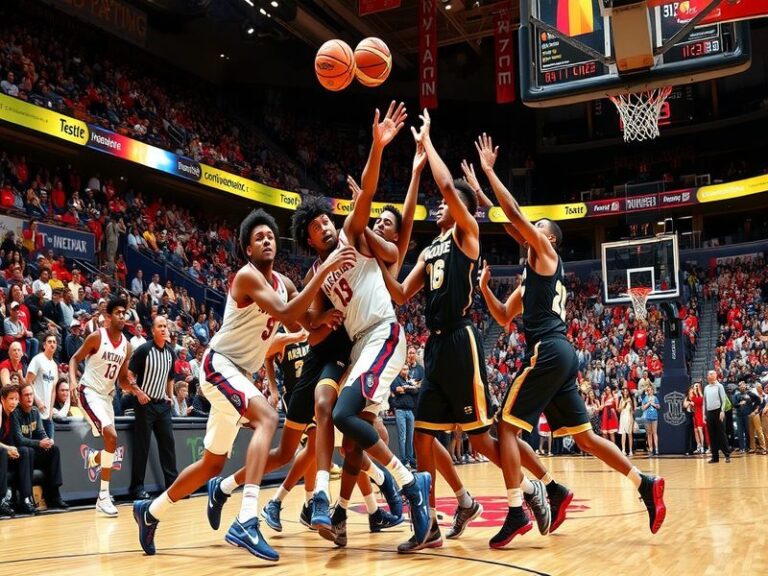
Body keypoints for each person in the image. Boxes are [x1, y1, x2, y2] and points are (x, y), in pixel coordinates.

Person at [377, 112, 558, 549]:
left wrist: (428, 146)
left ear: (458, 208)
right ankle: (431, 527)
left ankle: (531, 489)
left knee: (480, 440)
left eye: (446, 203)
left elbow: (445, 189)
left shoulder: (467, 233)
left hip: (462, 342)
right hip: (434, 349)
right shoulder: (428, 248)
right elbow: (401, 294)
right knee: (422, 436)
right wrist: (376, 261)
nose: (439, 207)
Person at [474, 130, 665, 541]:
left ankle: (515, 511)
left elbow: (513, 214)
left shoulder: (547, 254)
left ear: (549, 239)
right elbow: (506, 316)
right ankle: (644, 483)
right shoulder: (531, 280)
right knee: (585, 437)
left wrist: (490, 173)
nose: (528, 231)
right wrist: (486, 286)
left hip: (548, 351)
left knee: (505, 430)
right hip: (561, 356)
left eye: (536, 228)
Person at [133, 208, 355, 562]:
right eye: (258, 238)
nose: (266, 240)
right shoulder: (247, 277)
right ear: (248, 250)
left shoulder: (285, 283)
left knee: (211, 465)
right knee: (268, 418)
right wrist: (324, 271)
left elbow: (305, 318)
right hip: (219, 365)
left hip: (238, 375)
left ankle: (150, 511)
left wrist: (324, 318)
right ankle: (247, 519)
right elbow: (285, 314)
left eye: (270, 236)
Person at [286, 103, 432, 551]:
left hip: (384, 332)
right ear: (308, 241)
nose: (325, 227)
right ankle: (350, 515)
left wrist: (377, 144)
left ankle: (409, 485)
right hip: (362, 346)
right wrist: (322, 317)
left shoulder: (353, 233)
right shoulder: (319, 273)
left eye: (325, 219)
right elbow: (303, 320)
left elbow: (367, 189)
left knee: (343, 415)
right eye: (315, 227)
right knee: (351, 440)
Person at [69, 297, 133, 516]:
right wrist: (72, 381)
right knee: (112, 436)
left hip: (107, 397)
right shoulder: (97, 337)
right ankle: (104, 496)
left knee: (109, 443)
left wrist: (135, 389)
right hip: (89, 391)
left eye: (124, 313)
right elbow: (74, 359)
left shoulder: (127, 346)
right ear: (108, 316)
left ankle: (94, 460)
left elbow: (122, 380)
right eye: (117, 312)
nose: (122, 316)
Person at [128, 315, 179, 500]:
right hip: (145, 405)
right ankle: (137, 488)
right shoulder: (144, 350)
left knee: (168, 445)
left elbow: (171, 377)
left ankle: (173, 487)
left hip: (162, 405)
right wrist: (138, 392)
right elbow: (129, 374)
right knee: (142, 446)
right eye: (160, 326)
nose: (164, 329)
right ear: (153, 330)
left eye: (165, 326)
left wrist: (170, 395)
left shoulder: (170, 353)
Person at [12, 383, 68, 510]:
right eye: (26, 395)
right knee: (28, 451)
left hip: (32, 451)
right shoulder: (15, 413)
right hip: (19, 453)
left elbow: (41, 432)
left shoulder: (35, 411)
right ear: (20, 398)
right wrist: (39, 443)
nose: (29, 397)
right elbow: (19, 440)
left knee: (54, 450)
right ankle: (25, 499)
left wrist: (47, 440)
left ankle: (55, 495)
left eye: (31, 394)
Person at [26, 332, 60, 439]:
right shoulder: (37, 359)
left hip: (47, 415)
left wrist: (50, 410)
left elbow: (54, 389)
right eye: (49, 342)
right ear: (44, 345)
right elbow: (28, 382)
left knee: (50, 447)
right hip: (35, 411)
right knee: (38, 447)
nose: (52, 344)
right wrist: (38, 401)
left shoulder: (54, 365)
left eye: (54, 342)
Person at [0, 384, 28, 516]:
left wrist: (13, 450)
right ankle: (1, 501)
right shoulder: (0, 410)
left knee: (25, 451)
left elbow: (10, 441)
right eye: (11, 398)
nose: (14, 402)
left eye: (16, 399)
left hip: (3, 451)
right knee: (2, 452)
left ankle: (24, 499)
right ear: (2, 399)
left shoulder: (11, 414)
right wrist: (8, 448)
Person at [703, 370, 730, 463]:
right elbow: (704, 402)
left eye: (712, 374)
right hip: (709, 412)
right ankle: (715, 457)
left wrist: (722, 411)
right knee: (712, 435)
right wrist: (704, 414)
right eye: (709, 374)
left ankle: (727, 455)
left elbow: (723, 399)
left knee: (721, 434)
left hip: (718, 412)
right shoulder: (706, 388)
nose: (710, 376)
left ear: (715, 375)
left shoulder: (720, 386)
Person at [642, 384, 660, 456]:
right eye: (649, 390)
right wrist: (649, 403)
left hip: (654, 417)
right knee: (649, 433)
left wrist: (654, 404)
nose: (650, 391)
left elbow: (658, 406)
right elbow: (643, 408)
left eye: (651, 390)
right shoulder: (645, 398)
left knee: (655, 432)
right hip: (647, 417)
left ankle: (656, 449)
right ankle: (650, 449)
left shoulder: (655, 398)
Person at [618, 387, 635, 457]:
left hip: (628, 417)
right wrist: (624, 403)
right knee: (623, 434)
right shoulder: (621, 399)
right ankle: (623, 450)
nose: (625, 392)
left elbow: (632, 412)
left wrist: (632, 420)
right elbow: (619, 410)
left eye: (626, 391)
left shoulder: (631, 400)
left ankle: (630, 450)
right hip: (622, 417)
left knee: (630, 434)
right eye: (624, 391)